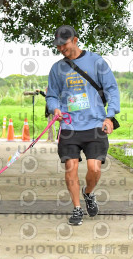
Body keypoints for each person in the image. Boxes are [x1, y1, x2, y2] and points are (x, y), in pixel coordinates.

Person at [46, 25, 120, 226]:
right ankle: (77, 208)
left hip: (95, 123)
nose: (61, 48)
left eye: (65, 44)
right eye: (58, 46)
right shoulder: (57, 68)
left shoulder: (96, 62)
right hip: (69, 126)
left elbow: (112, 89)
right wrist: (55, 109)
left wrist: (110, 117)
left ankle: (88, 193)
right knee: (71, 166)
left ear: (75, 40)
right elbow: (52, 96)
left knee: (94, 168)